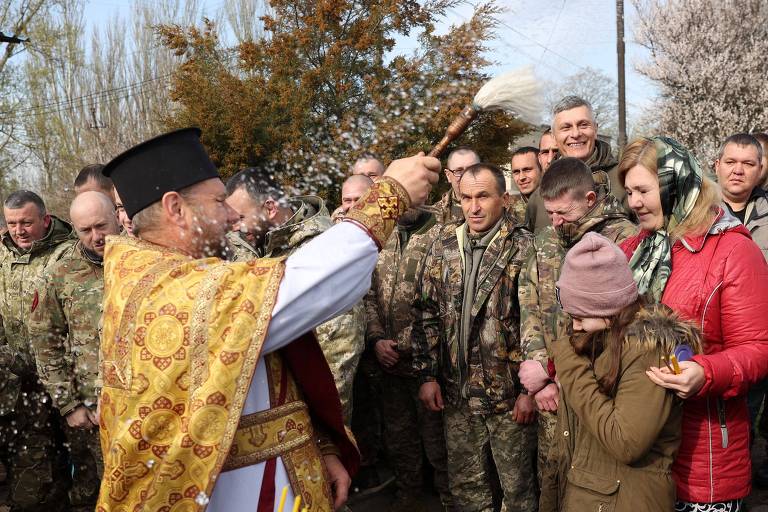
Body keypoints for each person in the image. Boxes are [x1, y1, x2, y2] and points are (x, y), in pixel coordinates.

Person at [96, 128, 439, 511]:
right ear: (176, 208)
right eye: (219, 201)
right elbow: (304, 286)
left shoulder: (178, 274)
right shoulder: (169, 292)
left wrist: (320, 445)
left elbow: (259, 367)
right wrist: (389, 195)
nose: (231, 216)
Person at [619, 136, 768, 511]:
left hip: (702, 456)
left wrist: (706, 372)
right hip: (639, 447)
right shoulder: (636, 249)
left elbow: (759, 347)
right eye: (628, 191)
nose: (633, 202)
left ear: (676, 182)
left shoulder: (733, 250)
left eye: (642, 190)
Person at [543, 232, 698, 511]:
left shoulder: (649, 350)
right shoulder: (596, 341)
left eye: (579, 317)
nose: (574, 327)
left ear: (607, 307)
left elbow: (625, 442)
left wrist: (570, 366)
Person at [413, 163, 537, 512]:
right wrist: (426, 376)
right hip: (456, 397)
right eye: (466, 198)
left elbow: (538, 323)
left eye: (483, 196)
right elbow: (426, 313)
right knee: (467, 492)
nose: (474, 207)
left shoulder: (525, 248)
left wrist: (530, 391)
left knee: (518, 495)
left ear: (505, 199)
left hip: (508, 401)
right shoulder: (444, 247)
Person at [517, 157, 636, 487]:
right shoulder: (543, 242)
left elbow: (626, 323)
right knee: (554, 481)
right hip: (551, 397)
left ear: (590, 200)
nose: (555, 222)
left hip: (600, 394)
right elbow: (528, 308)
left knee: (597, 485)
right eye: (550, 212)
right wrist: (541, 375)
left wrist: (555, 369)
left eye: (563, 214)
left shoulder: (624, 239)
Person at [224, 167, 366, 424]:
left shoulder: (319, 246)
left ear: (269, 209)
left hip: (315, 413)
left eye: (241, 217)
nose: (235, 227)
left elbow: (340, 349)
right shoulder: (265, 245)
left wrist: (328, 429)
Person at [29, 191, 118, 511]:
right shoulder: (60, 274)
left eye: (101, 226)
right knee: (96, 489)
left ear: (117, 218)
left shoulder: (144, 262)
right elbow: (45, 343)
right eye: (85, 230)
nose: (96, 237)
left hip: (145, 403)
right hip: (93, 410)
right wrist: (68, 404)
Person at [364, 206, 451, 511]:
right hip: (388, 365)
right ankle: (408, 498)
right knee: (400, 441)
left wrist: (408, 345)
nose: (406, 204)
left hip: (429, 367)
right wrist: (376, 340)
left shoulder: (442, 235)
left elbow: (443, 301)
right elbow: (369, 294)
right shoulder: (381, 237)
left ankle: (449, 502)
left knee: (440, 446)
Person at [0, 190, 75, 511]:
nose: (19, 230)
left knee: (79, 464)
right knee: (35, 464)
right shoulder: (3, 256)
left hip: (66, 380)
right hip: (19, 384)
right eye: (12, 223)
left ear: (45, 220)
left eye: (26, 222)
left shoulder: (68, 254)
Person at [714, 133, 768, 489]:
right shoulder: (697, 212)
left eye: (748, 164)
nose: (738, 171)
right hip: (715, 343)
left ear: (761, 170)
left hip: (759, 341)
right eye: (731, 162)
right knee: (721, 428)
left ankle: (742, 488)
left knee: (750, 420)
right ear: (717, 165)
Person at [527, 96, 628, 233]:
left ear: (596, 129)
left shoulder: (624, 180)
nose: (575, 133)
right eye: (566, 127)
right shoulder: (538, 198)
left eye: (583, 125)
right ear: (554, 137)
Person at [434, 146, 480, 224]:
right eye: (459, 171)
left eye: (472, 170)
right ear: (448, 175)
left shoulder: (499, 206)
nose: (466, 175)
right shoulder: (434, 215)